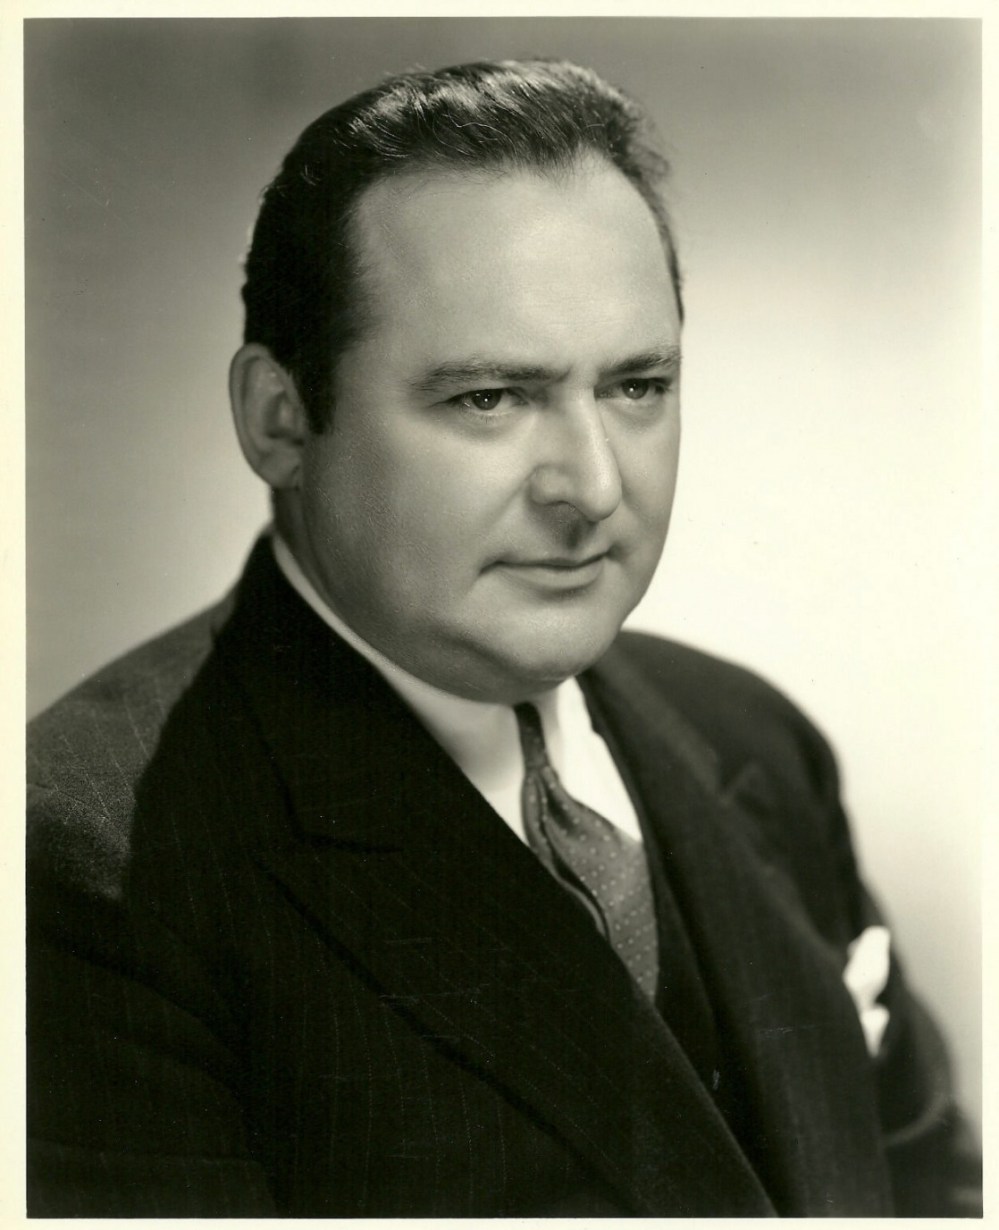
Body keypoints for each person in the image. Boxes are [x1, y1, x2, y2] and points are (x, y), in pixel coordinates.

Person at [26, 58, 980, 1217]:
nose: (592, 486)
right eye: (490, 398)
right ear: (280, 420)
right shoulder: (90, 865)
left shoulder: (754, 739)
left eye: (637, 386)